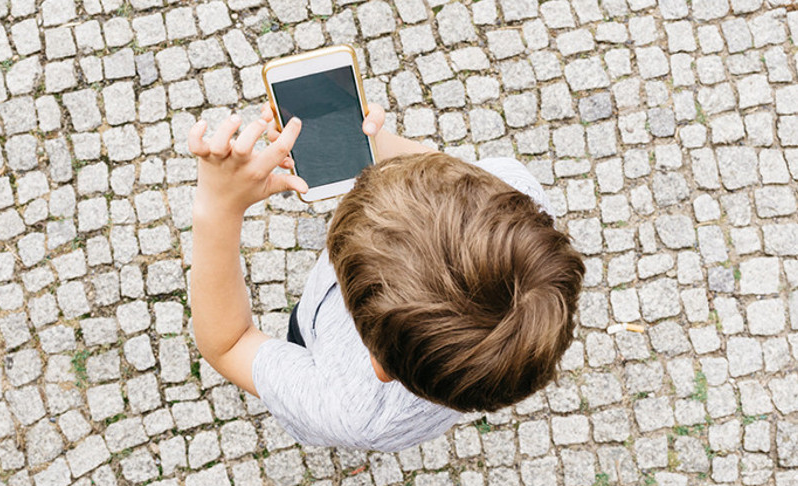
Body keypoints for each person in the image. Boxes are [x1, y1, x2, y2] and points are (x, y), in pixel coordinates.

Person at [188, 102, 585, 452]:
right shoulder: (515, 197)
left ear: (380, 366)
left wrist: (219, 208)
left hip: (319, 342)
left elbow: (230, 342)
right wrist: (367, 140)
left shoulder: (348, 408)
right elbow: (452, 178)